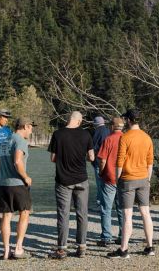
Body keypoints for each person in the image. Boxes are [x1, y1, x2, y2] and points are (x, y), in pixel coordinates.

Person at [107, 109, 156, 259]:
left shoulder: (125, 137)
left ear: (128, 120)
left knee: (127, 215)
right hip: (143, 178)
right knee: (145, 213)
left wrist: (117, 178)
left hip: (128, 179)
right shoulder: (147, 138)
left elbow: (120, 161)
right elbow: (150, 162)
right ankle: (150, 246)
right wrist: (147, 178)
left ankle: (124, 249)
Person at [48, 111, 94, 259]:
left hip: (63, 180)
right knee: (82, 214)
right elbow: (91, 157)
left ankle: (61, 249)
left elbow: (53, 158)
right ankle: (82, 247)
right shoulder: (86, 135)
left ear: (69, 119)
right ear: (80, 121)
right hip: (81, 179)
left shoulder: (58, 134)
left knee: (63, 214)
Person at [0, 117, 34, 260]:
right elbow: (18, 161)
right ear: (25, 126)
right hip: (17, 183)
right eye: (30, 127)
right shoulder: (20, 141)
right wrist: (25, 177)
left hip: (3, 183)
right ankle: (18, 248)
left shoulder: (5, 140)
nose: (31, 131)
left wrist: (1, 177)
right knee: (24, 213)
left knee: (6, 216)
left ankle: (6, 251)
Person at [96, 117, 126, 247]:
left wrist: (101, 172)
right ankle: (122, 235)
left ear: (112, 127)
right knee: (121, 209)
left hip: (109, 178)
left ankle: (106, 237)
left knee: (106, 209)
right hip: (124, 178)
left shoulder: (108, 139)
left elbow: (102, 160)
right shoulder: (127, 138)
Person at [91, 116, 110, 182]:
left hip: (99, 161)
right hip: (109, 161)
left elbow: (93, 148)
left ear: (95, 124)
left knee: (100, 186)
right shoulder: (109, 131)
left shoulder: (95, 133)